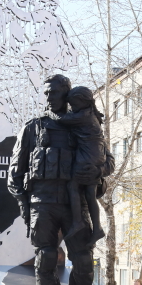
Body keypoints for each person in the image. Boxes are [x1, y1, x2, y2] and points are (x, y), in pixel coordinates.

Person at [8, 74, 113, 285]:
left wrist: (98, 169)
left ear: (66, 95)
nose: (49, 98)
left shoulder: (83, 123)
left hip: (75, 203)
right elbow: (14, 175)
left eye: (54, 93)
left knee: (84, 260)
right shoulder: (33, 128)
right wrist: (24, 208)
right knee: (45, 259)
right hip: (42, 204)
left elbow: (107, 160)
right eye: (46, 93)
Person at [55, 85, 106, 244]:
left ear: (83, 102)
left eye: (74, 103)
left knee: (73, 186)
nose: (72, 107)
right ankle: (97, 229)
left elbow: (61, 119)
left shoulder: (83, 115)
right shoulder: (91, 114)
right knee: (90, 194)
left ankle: (78, 222)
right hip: (96, 156)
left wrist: (50, 113)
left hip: (86, 157)